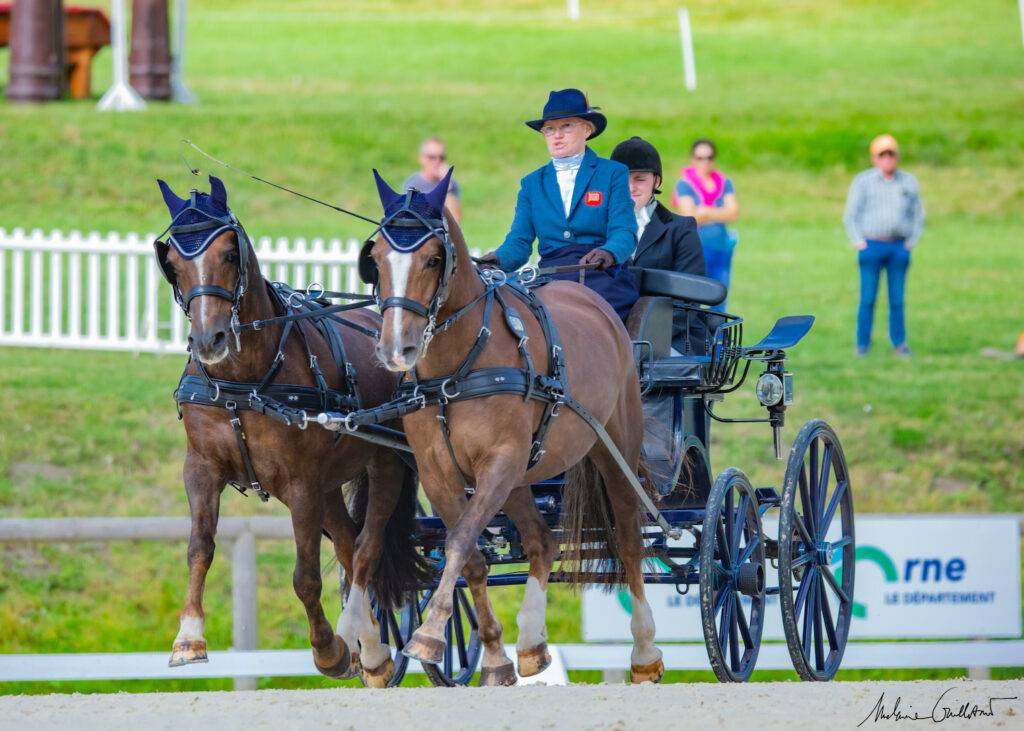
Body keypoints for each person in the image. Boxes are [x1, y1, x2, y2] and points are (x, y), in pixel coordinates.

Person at [479, 88, 639, 321]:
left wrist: (609, 252)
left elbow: (624, 231)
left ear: (587, 129)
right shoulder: (531, 183)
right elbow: (519, 242)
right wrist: (498, 259)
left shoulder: (612, 173)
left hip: (600, 274)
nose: (557, 136)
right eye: (550, 129)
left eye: (566, 127)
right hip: (551, 276)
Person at [611, 135, 705, 353]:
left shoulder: (681, 229)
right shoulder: (597, 230)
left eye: (640, 179)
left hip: (671, 336)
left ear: (656, 181)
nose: (630, 187)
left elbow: (689, 300)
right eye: (623, 179)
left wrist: (638, 336)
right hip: (611, 336)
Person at [843, 133, 924, 357]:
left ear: (897, 156)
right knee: (868, 298)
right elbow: (851, 215)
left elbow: (918, 214)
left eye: (891, 154)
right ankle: (862, 344)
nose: (887, 159)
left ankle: (899, 342)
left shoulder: (908, 181)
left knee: (897, 299)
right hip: (872, 245)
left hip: (898, 246)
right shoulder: (863, 181)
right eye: (882, 155)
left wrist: (911, 242)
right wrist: (858, 241)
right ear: (875, 158)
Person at [672, 138, 739, 311]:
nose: (705, 162)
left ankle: (718, 328)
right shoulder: (685, 184)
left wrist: (706, 212)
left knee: (720, 297)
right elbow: (689, 217)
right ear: (693, 159)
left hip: (722, 248)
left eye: (709, 158)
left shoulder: (724, 182)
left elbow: (733, 213)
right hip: (697, 249)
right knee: (694, 297)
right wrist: (719, 213)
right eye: (700, 158)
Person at [402, 136, 462, 223]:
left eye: (442, 157)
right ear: (421, 158)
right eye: (432, 157)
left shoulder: (451, 184)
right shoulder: (412, 185)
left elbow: (455, 220)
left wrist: (447, 186)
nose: (437, 161)